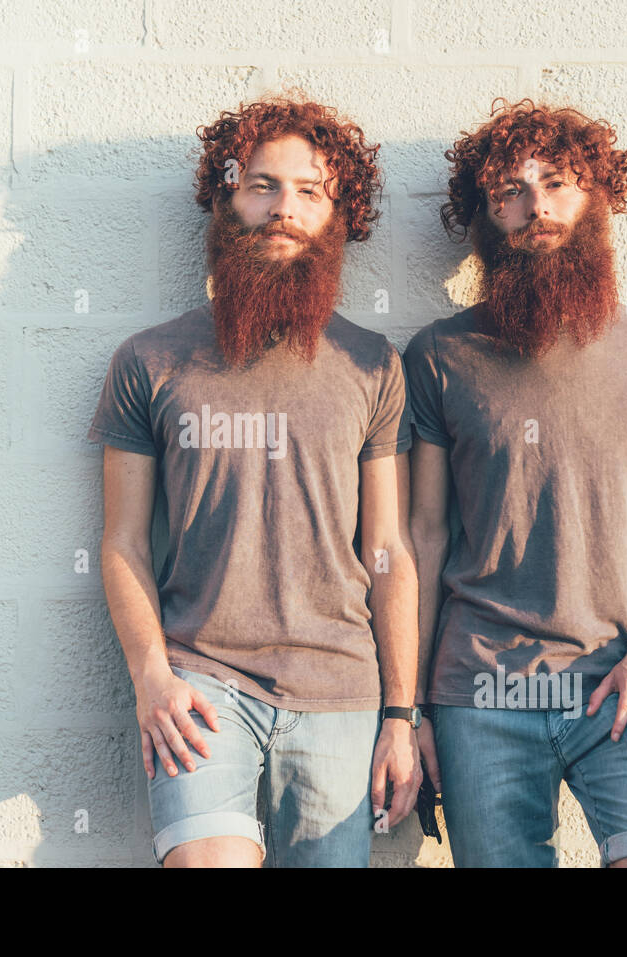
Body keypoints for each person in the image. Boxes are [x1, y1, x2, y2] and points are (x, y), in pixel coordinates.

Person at [88, 92, 421, 867]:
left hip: (341, 690)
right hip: (200, 685)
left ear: (340, 215)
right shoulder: (148, 362)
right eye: (262, 185)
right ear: (226, 198)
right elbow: (123, 543)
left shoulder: (375, 364)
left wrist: (400, 715)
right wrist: (150, 678)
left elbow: (389, 551)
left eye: (310, 191)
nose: (283, 208)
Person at [404, 98, 627, 867]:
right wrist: (408, 709)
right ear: (486, 216)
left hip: (622, 679)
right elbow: (421, 537)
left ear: (597, 197)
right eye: (510, 190)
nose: (536, 205)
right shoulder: (440, 355)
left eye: (558, 182)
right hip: (479, 692)